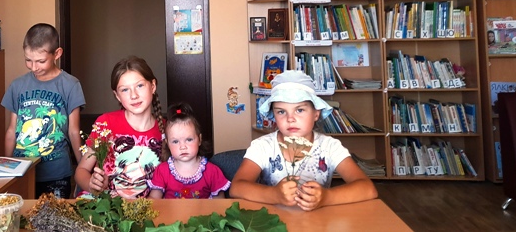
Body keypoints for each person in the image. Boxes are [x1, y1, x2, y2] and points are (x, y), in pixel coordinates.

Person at [230, 71, 377, 211]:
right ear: (273, 115)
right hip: (273, 220)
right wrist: (274, 195)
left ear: (316, 114)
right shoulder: (262, 146)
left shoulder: (330, 147)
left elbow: (367, 188)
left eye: (299, 110)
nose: (290, 119)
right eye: (281, 111)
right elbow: (237, 187)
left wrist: (326, 197)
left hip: (318, 221)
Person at [2, 23, 85, 198]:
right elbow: (11, 131)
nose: (34, 67)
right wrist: (6, 170)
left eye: (40, 61)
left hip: (56, 173)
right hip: (22, 171)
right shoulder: (17, 86)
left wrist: (82, 170)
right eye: (28, 60)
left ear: (57, 54)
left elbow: (74, 131)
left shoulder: (70, 85)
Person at [75, 56, 164, 199]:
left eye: (140, 86)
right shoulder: (106, 123)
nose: (134, 95)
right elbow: (82, 170)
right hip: (104, 204)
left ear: (152, 86)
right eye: (125, 90)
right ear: (117, 95)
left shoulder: (167, 130)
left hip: (146, 207)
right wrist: (91, 185)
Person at [147, 102, 230, 199]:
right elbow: (154, 199)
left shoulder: (212, 172)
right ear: (167, 143)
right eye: (175, 141)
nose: (183, 147)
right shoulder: (162, 171)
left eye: (189, 140)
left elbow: (220, 203)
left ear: (199, 139)